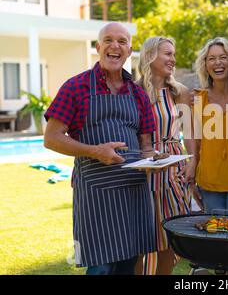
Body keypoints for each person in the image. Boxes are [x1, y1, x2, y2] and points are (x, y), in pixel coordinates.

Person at [44, 22, 158, 275]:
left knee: (128, 265)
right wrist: (95, 151)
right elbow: (51, 138)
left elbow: (147, 146)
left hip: (133, 193)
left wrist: (156, 161)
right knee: (100, 267)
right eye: (108, 40)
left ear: (129, 51)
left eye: (122, 42)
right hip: (96, 195)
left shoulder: (138, 94)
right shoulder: (75, 87)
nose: (115, 46)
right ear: (98, 47)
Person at [135, 36, 195, 275]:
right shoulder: (134, 91)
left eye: (173, 54)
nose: (173, 59)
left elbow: (189, 132)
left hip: (173, 169)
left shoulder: (178, 92)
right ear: (151, 56)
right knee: (141, 236)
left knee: (169, 235)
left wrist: (192, 162)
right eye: (167, 54)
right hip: (142, 170)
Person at [186, 37, 228, 214]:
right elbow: (194, 137)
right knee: (215, 235)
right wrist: (192, 169)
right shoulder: (198, 98)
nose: (218, 63)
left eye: (223, 57)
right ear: (205, 65)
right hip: (209, 180)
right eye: (211, 58)